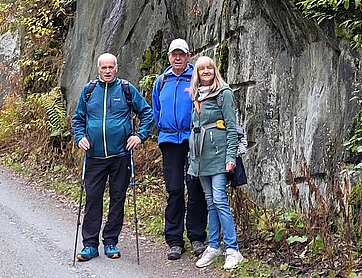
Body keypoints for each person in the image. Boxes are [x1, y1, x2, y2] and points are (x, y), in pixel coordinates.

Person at [72, 52, 153, 262]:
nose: (107, 71)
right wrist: (80, 137)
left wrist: (139, 136)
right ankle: (89, 245)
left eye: (111, 67)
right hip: (94, 156)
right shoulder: (89, 91)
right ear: (98, 69)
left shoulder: (126, 89)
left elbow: (146, 113)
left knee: (118, 198)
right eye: (103, 68)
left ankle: (110, 241)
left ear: (116, 68)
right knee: (92, 199)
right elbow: (78, 119)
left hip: (121, 155)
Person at [152, 38, 208, 260]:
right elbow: (156, 108)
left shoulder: (196, 78)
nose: (177, 58)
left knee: (195, 187)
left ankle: (196, 237)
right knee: (174, 190)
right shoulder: (162, 80)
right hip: (169, 141)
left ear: (188, 56)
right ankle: (174, 241)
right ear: (169, 57)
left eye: (181, 54)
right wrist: (163, 127)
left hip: (192, 139)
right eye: (174, 54)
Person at [188, 56, 244, 270]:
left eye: (209, 68)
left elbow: (232, 127)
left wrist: (231, 157)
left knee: (220, 199)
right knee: (210, 202)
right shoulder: (196, 96)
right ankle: (213, 246)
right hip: (200, 157)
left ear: (215, 70)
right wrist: (192, 158)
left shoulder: (224, 93)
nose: (206, 71)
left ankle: (233, 249)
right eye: (201, 69)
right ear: (197, 73)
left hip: (219, 155)